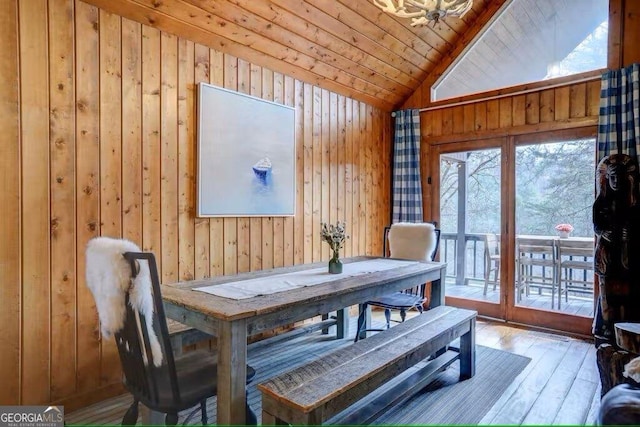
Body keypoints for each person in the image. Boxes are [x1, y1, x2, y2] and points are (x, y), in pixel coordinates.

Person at [593, 154, 640, 344]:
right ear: (606, 178)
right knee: (606, 292)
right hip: (606, 253)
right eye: (612, 177)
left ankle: (624, 328)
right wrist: (603, 233)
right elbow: (596, 225)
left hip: (626, 254)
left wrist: (629, 235)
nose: (615, 181)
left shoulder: (633, 204)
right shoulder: (601, 202)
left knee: (626, 291)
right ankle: (605, 327)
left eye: (618, 177)